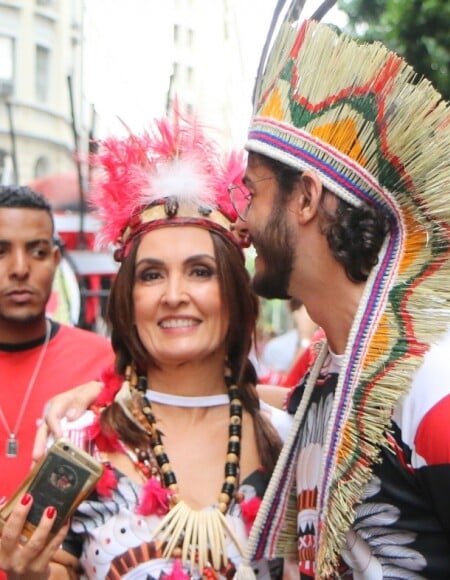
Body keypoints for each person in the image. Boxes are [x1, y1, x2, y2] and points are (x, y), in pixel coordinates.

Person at [40, 21, 450, 579]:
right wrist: (102, 396)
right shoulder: (331, 378)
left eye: (254, 191)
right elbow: (227, 398)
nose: (241, 221)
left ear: (307, 199)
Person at [0, 116, 290, 579]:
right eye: (152, 274)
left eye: (200, 271)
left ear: (234, 294)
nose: (174, 294)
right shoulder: (79, 439)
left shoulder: (292, 440)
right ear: (129, 301)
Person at [0, 186, 113, 503]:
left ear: (55, 260)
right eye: (1, 251)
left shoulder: (104, 362)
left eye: (37, 252)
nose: (20, 269)